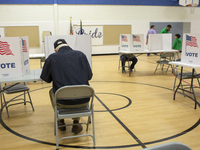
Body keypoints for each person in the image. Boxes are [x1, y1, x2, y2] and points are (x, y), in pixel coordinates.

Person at [40, 39, 93, 134]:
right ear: (68, 45)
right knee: (77, 90)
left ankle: (60, 121)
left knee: (52, 92)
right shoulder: (81, 55)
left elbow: (46, 79)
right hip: (84, 101)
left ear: (55, 50)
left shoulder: (52, 58)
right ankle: (76, 122)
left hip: (63, 102)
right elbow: (89, 76)